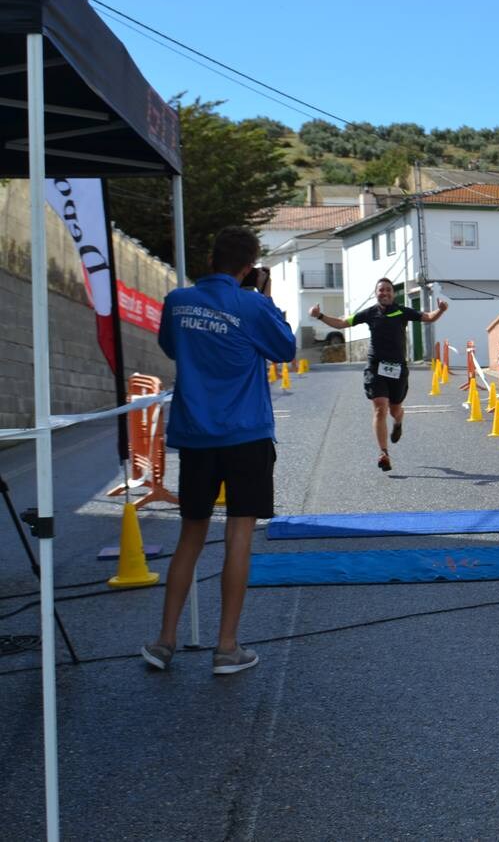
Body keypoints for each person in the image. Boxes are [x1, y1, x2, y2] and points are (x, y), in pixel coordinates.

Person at [140, 227, 296, 676]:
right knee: (239, 536)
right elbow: (284, 348)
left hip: (196, 435)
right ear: (249, 266)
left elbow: (171, 346)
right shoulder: (253, 303)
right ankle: (227, 647)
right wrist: (263, 297)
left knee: (190, 536)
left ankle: (165, 640)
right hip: (246, 433)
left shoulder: (177, 301)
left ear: (211, 258)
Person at [311, 278, 447, 472]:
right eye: (381, 290)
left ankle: (399, 421)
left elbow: (428, 317)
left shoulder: (403, 311)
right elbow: (342, 323)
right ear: (376, 293)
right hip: (375, 367)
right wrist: (320, 315)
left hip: (398, 368)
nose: (385, 293)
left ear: (393, 293)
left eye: (388, 290)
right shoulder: (369, 313)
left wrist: (441, 310)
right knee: (380, 408)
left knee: (394, 409)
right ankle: (384, 453)